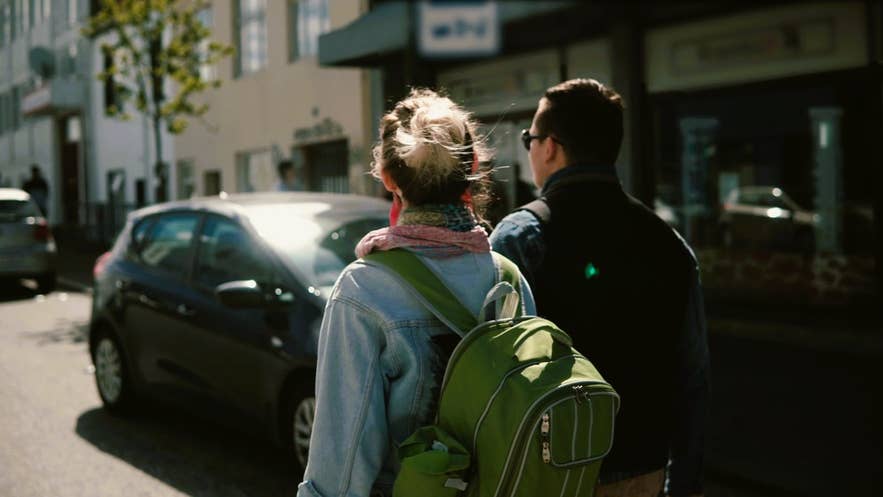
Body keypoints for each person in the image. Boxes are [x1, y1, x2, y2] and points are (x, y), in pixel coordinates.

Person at [297, 88, 536, 497]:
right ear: (473, 166)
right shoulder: (509, 280)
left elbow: (343, 458)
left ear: (388, 178)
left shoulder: (363, 288)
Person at [490, 79, 710, 497]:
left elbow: (494, 374)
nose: (530, 148)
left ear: (550, 146)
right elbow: (693, 375)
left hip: (550, 471)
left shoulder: (520, 236)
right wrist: (685, 482)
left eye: (529, 139)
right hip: (642, 469)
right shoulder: (669, 242)